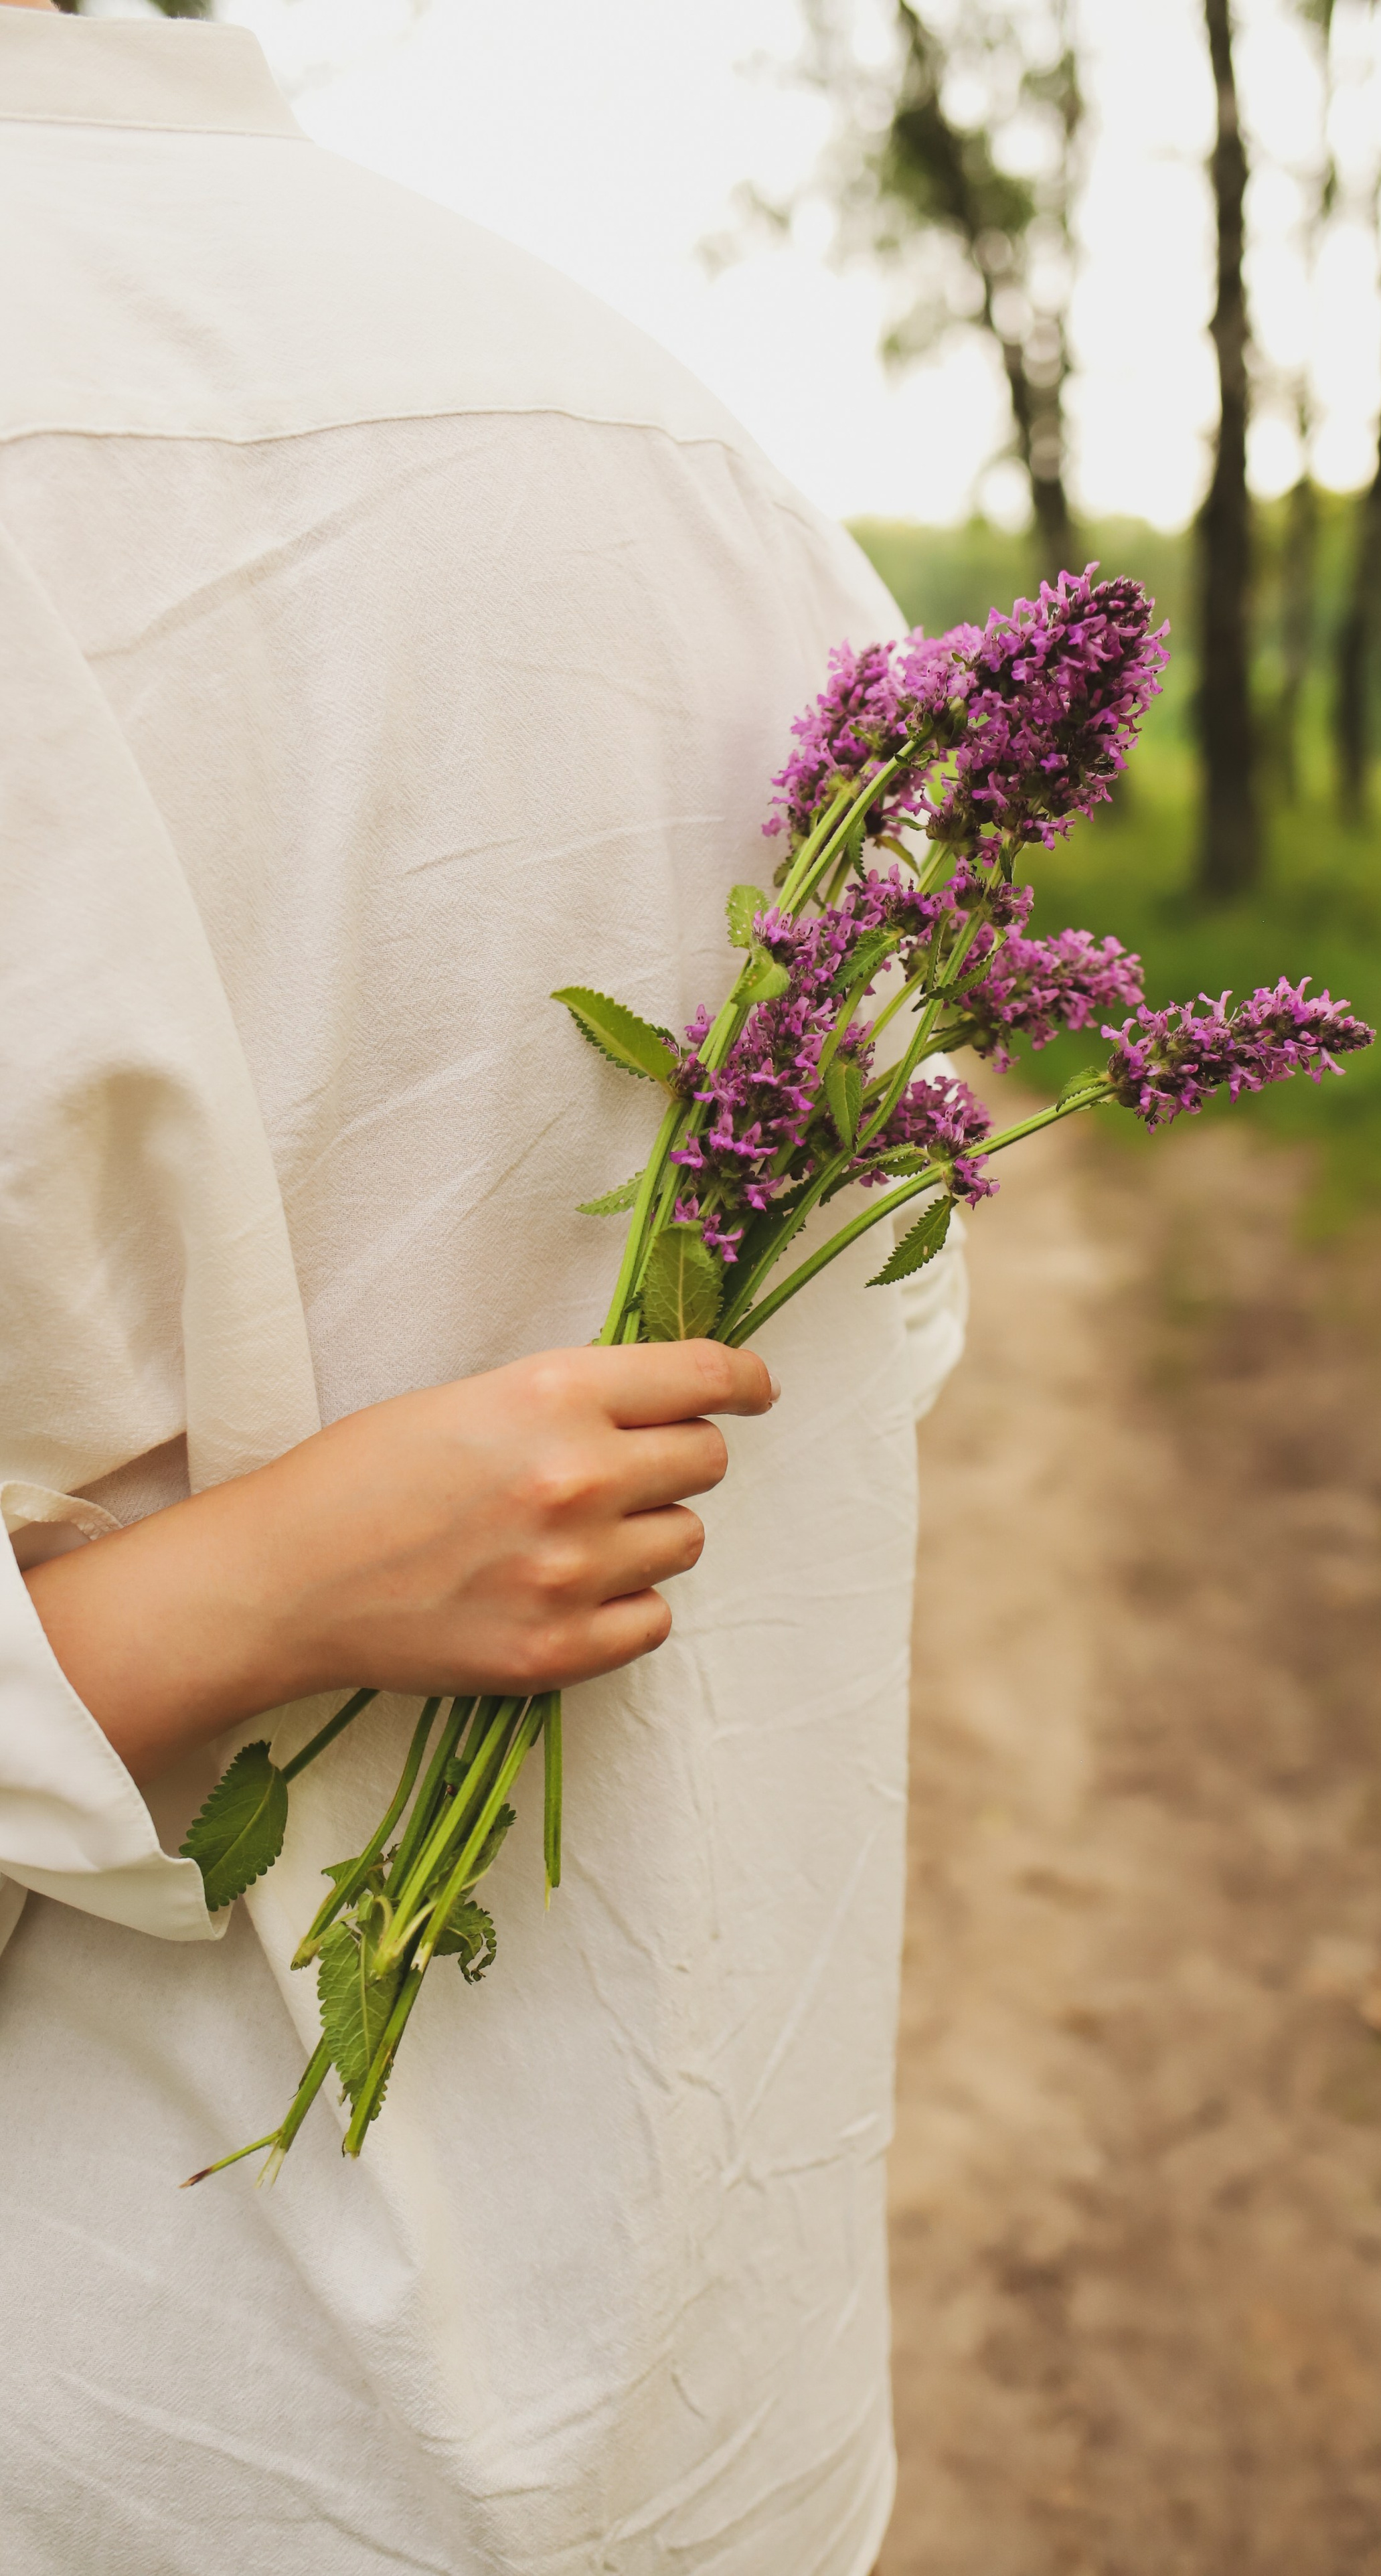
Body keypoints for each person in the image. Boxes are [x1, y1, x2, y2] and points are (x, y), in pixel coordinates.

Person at [0, 9, 965, 2570]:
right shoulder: (696, 458)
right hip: (705, 2388)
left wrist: (219, 1594)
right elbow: (879, 1336)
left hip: (131, 2423)